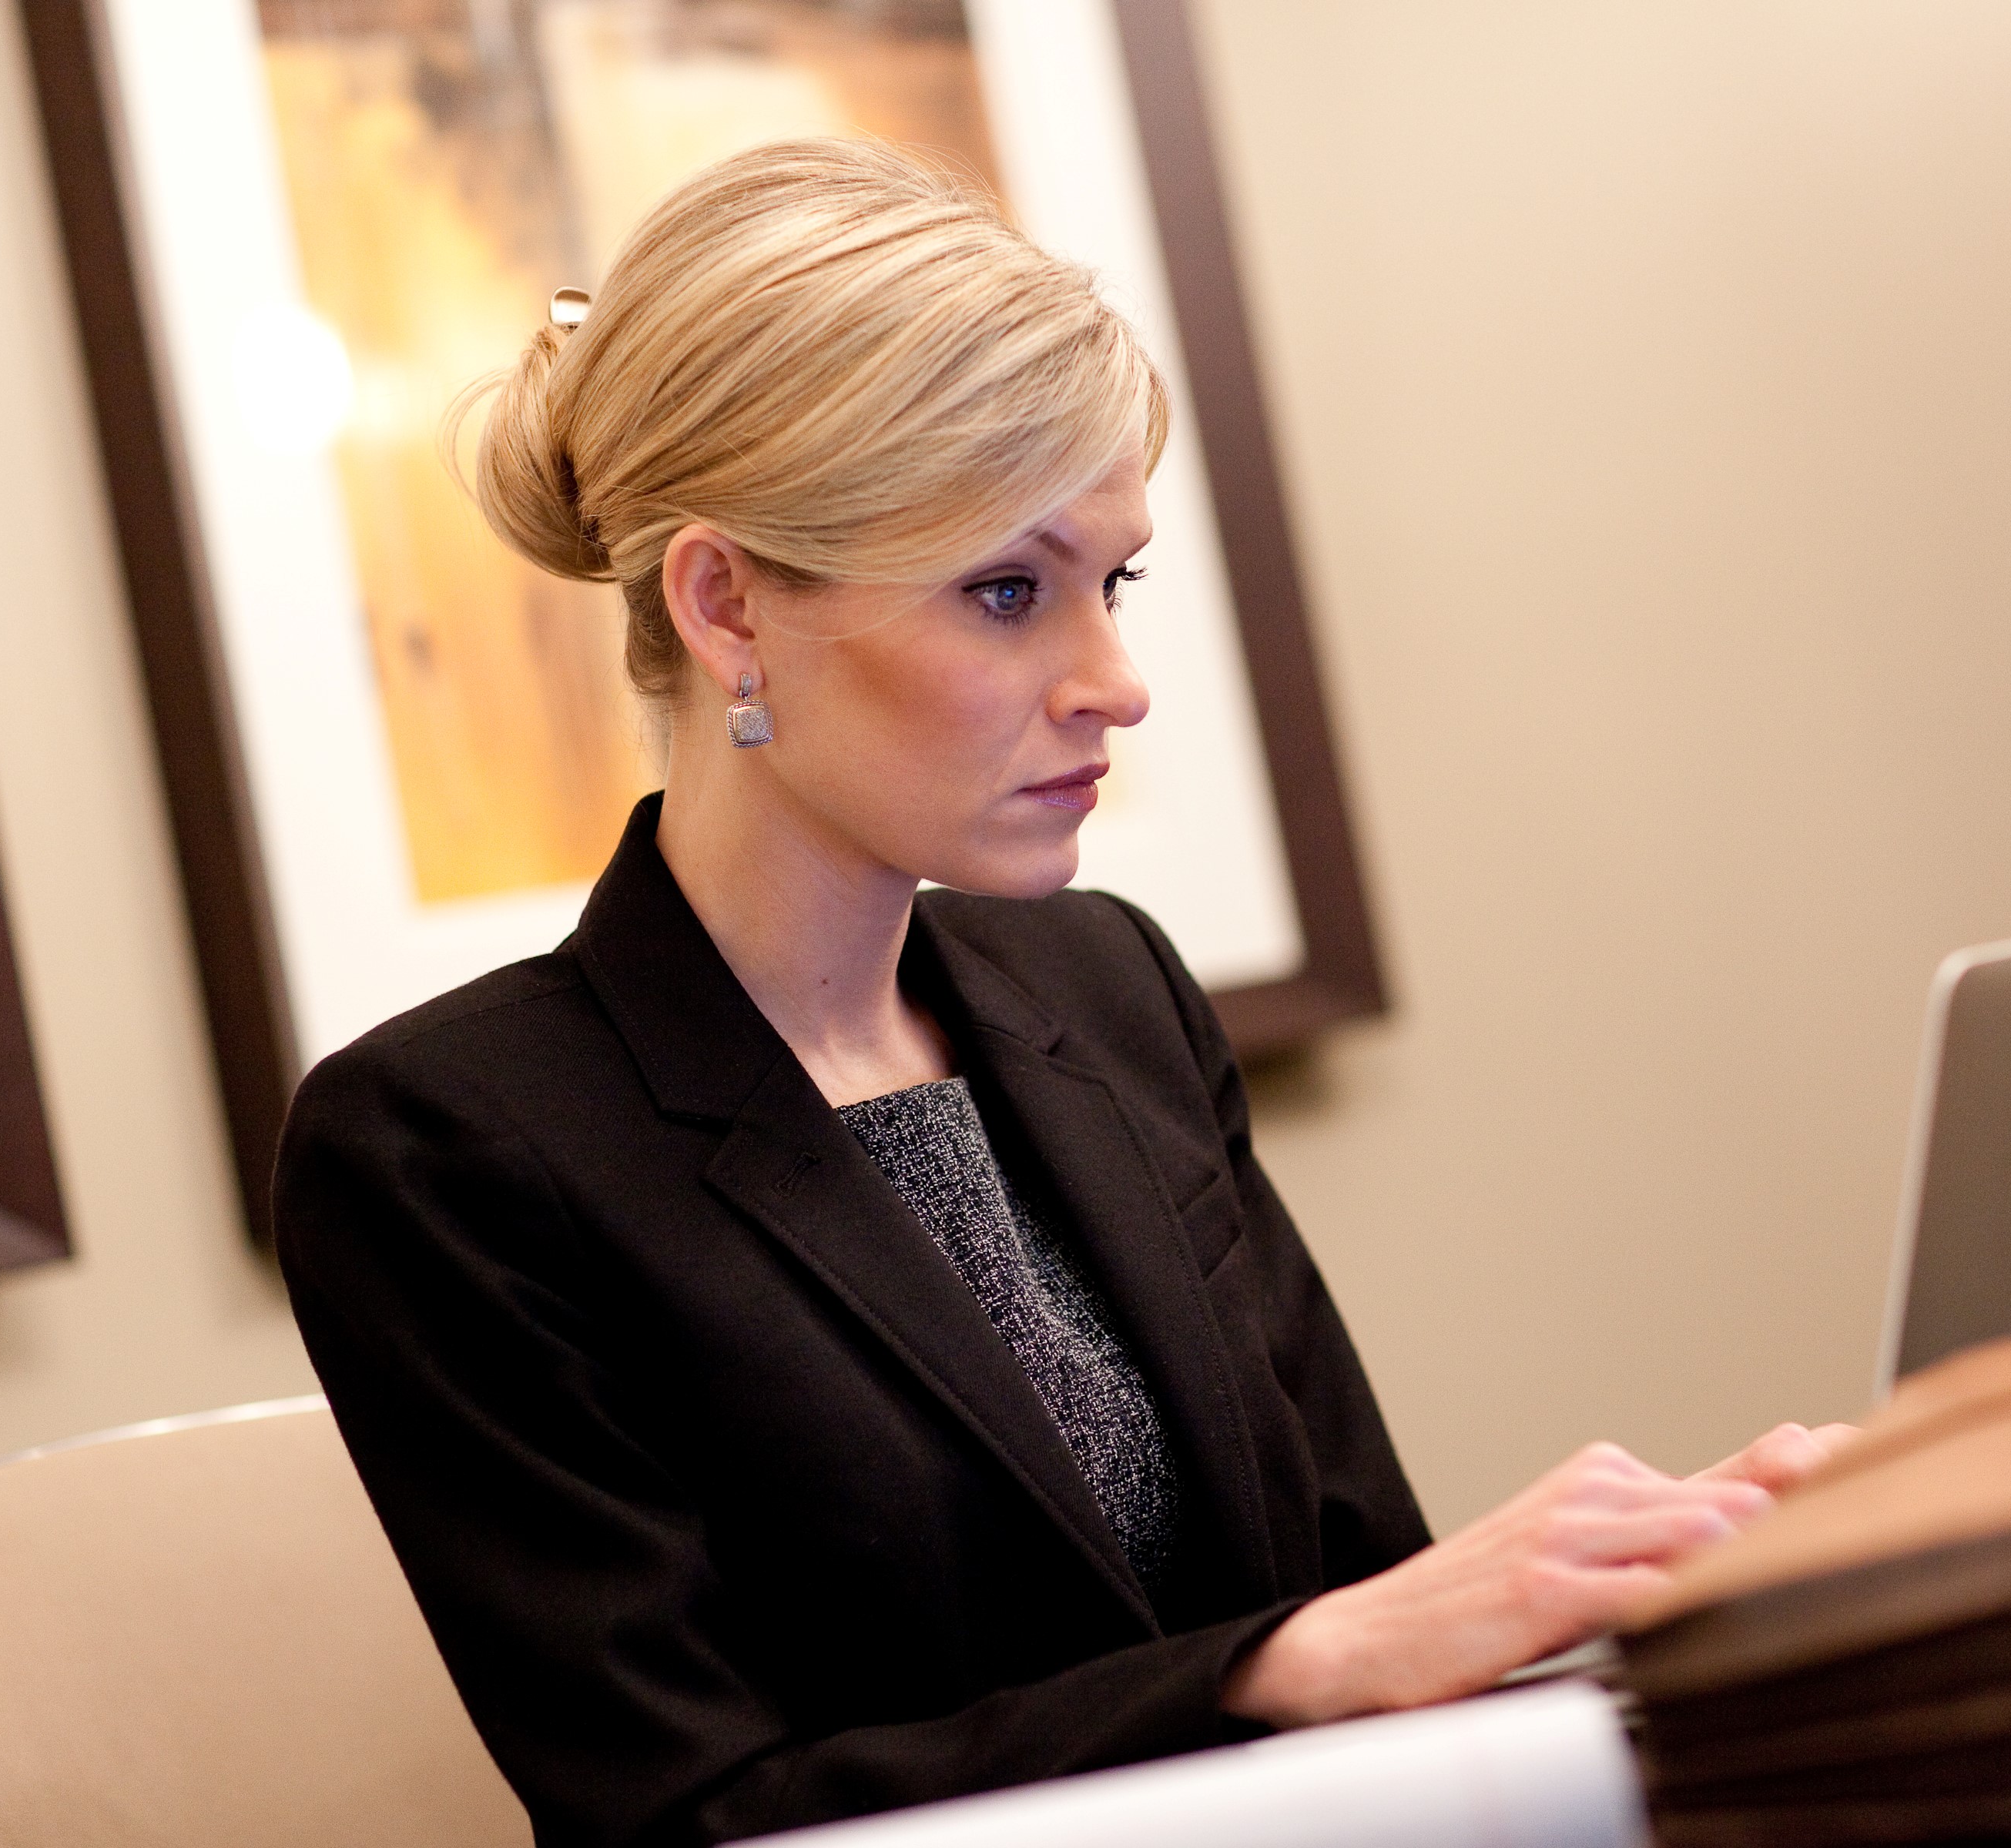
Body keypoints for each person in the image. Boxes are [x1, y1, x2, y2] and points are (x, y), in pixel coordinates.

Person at [274, 139, 1849, 1848]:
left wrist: (1648, 1590)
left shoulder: (1108, 990)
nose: (1115, 683)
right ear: (728, 607)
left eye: (1116, 584)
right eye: (1007, 591)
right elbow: (696, 1814)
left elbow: (1366, 1599)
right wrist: (1276, 1674)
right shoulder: (447, 1148)